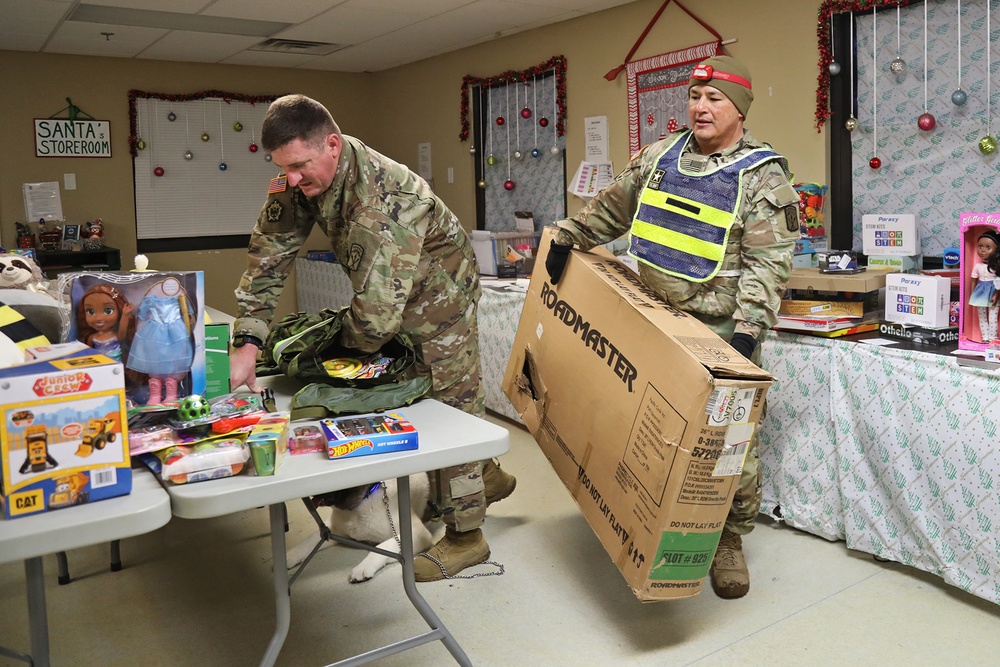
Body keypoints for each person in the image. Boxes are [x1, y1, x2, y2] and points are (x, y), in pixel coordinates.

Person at [230, 94, 516, 580]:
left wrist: (325, 359)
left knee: (451, 407)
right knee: (396, 389)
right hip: (387, 292)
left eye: (300, 166)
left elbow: (375, 322)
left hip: (439, 299)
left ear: (333, 146)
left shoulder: (388, 200)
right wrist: (249, 342)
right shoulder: (298, 176)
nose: (293, 181)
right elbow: (269, 254)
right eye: (284, 169)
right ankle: (486, 475)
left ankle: (468, 538)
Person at [545, 55, 799, 599]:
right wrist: (568, 235)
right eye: (694, 96)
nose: (700, 107)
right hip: (656, 321)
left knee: (729, 446)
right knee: (649, 430)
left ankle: (728, 539)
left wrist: (748, 335)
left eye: (715, 99)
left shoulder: (761, 174)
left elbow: (769, 263)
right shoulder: (661, 156)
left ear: (740, 109)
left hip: (723, 332)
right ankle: (647, 519)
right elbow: (610, 211)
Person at [76, 284, 135, 364]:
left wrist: (125, 315)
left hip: (115, 365)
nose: (98, 318)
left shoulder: (115, 336)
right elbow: (88, 354)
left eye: (108, 311)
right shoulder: (92, 337)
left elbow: (122, 334)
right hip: (99, 365)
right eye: (90, 312)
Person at [969, 230, 999, 342]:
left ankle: (993, 337)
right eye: (980, 246)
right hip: (980, 292)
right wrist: (973, 294)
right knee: (981, 316)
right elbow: (973, 280)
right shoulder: (978, 266)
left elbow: (999, 282)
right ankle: (985, 337)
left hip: (994, 291)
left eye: (988, 247)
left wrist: (996, 294)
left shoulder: (996, 267)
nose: (983, 250)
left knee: (992, 316)